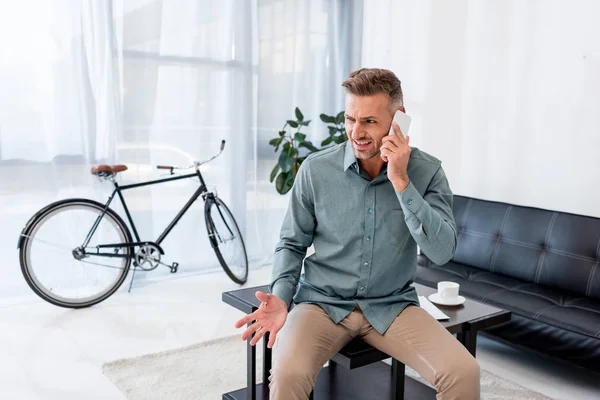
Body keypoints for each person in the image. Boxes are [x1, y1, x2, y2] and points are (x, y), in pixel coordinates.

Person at [234, 68, 480, 400]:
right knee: (288, 374)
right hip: (322, 303)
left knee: (463, 373)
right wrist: (280, 297)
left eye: (369, 121)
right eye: (351, 119)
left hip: (392, 305)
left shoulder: (428, 172)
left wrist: (401, 182)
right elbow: (292, 243)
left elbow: (441, 251)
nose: (356, 132)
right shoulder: (316, 170)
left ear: (399, 120)